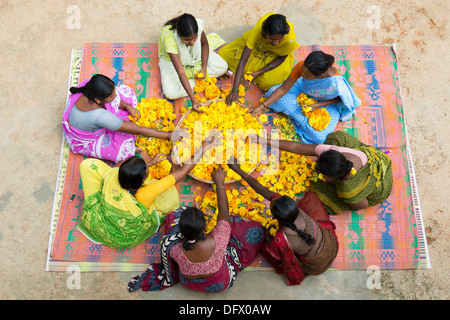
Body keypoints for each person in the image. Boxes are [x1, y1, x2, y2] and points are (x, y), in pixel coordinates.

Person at [127, 166, 265, 293]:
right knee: (256, 230)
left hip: (188, 283)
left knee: (173, 215)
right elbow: (224, 210)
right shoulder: (218, 239)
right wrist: (219, 182)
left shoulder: (171, 245)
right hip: (220, 284)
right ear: (205, 228)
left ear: (180, 231)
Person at [76, 133, 221, 249]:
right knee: (170, 196)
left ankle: (107, 204)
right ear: (143, 180)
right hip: (122, 237)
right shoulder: (146, 193)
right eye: (146, 171)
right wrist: (205, 145)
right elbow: (182, 172)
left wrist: (150, 163)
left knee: (88, 165)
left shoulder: (115, 176)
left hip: (97, 221)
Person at [227, 159, 338, 286]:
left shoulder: (281, 238)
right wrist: (239, 170)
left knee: (260, 239)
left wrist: (269, 238)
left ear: (276, 218)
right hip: (331, 245)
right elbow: (262, 190)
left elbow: (281, 256)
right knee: (312, 199)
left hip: (317, 265)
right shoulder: (299, 211)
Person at [250, 130, 393, 215]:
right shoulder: (333, 151)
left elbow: (361, 205)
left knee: (321, 194)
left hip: (379, 186)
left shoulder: (349, 188)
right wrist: (264, 141)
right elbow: (297, 147)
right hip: (377, 159)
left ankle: (335, 187)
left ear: (337, 177)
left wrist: (334, 184)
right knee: (337, 137)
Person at [63, 74, 186, 163]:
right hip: (85, 137)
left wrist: (127, 106)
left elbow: (115, 98)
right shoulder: (99, 116)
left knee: (126, 96)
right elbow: (137, 130)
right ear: (97, 100)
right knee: (123, 152)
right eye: (111, 96)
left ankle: (119, 104)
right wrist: (169, 135)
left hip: (85, 119)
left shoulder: (90, 85)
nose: (115, 96)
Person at [250, 50, 361, 144]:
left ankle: (299, 118)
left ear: (320, 76)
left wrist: (318, 105)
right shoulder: (302, 67)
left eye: (307, 75)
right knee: (272, 92)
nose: (303, 75)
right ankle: (301, 119)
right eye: (303, 72)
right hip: (302, 89)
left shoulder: (335, 81)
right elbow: (284, 89)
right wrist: (261, 106)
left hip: (325, 103)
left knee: (320, 137)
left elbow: (342, 99)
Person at [218, 12, 299, 101]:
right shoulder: (258, 31)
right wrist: (235, 90)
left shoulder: (289, 39)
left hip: (274, 56)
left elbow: (280, 58)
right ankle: (254, 70)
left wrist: (258, 72)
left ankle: (255, 72)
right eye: (271, 39)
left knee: (269, 82)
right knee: (223, 54)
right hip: (257, 47)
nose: (275, 43)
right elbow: (243, 61)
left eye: (279, 40)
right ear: (264, 33)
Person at [158, 13, 229, 111]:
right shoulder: (169, 37)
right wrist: (193, 99)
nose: (191, 43)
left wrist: (204, 69)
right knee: (170, 93)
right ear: (178, 35)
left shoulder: (197, 26)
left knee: (223, 67)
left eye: (195, 38)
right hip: (171, 60)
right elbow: (180, 71)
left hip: (193, 54)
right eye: (187, 40)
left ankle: (195, 77)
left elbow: (204, 44)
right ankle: (197, 80)